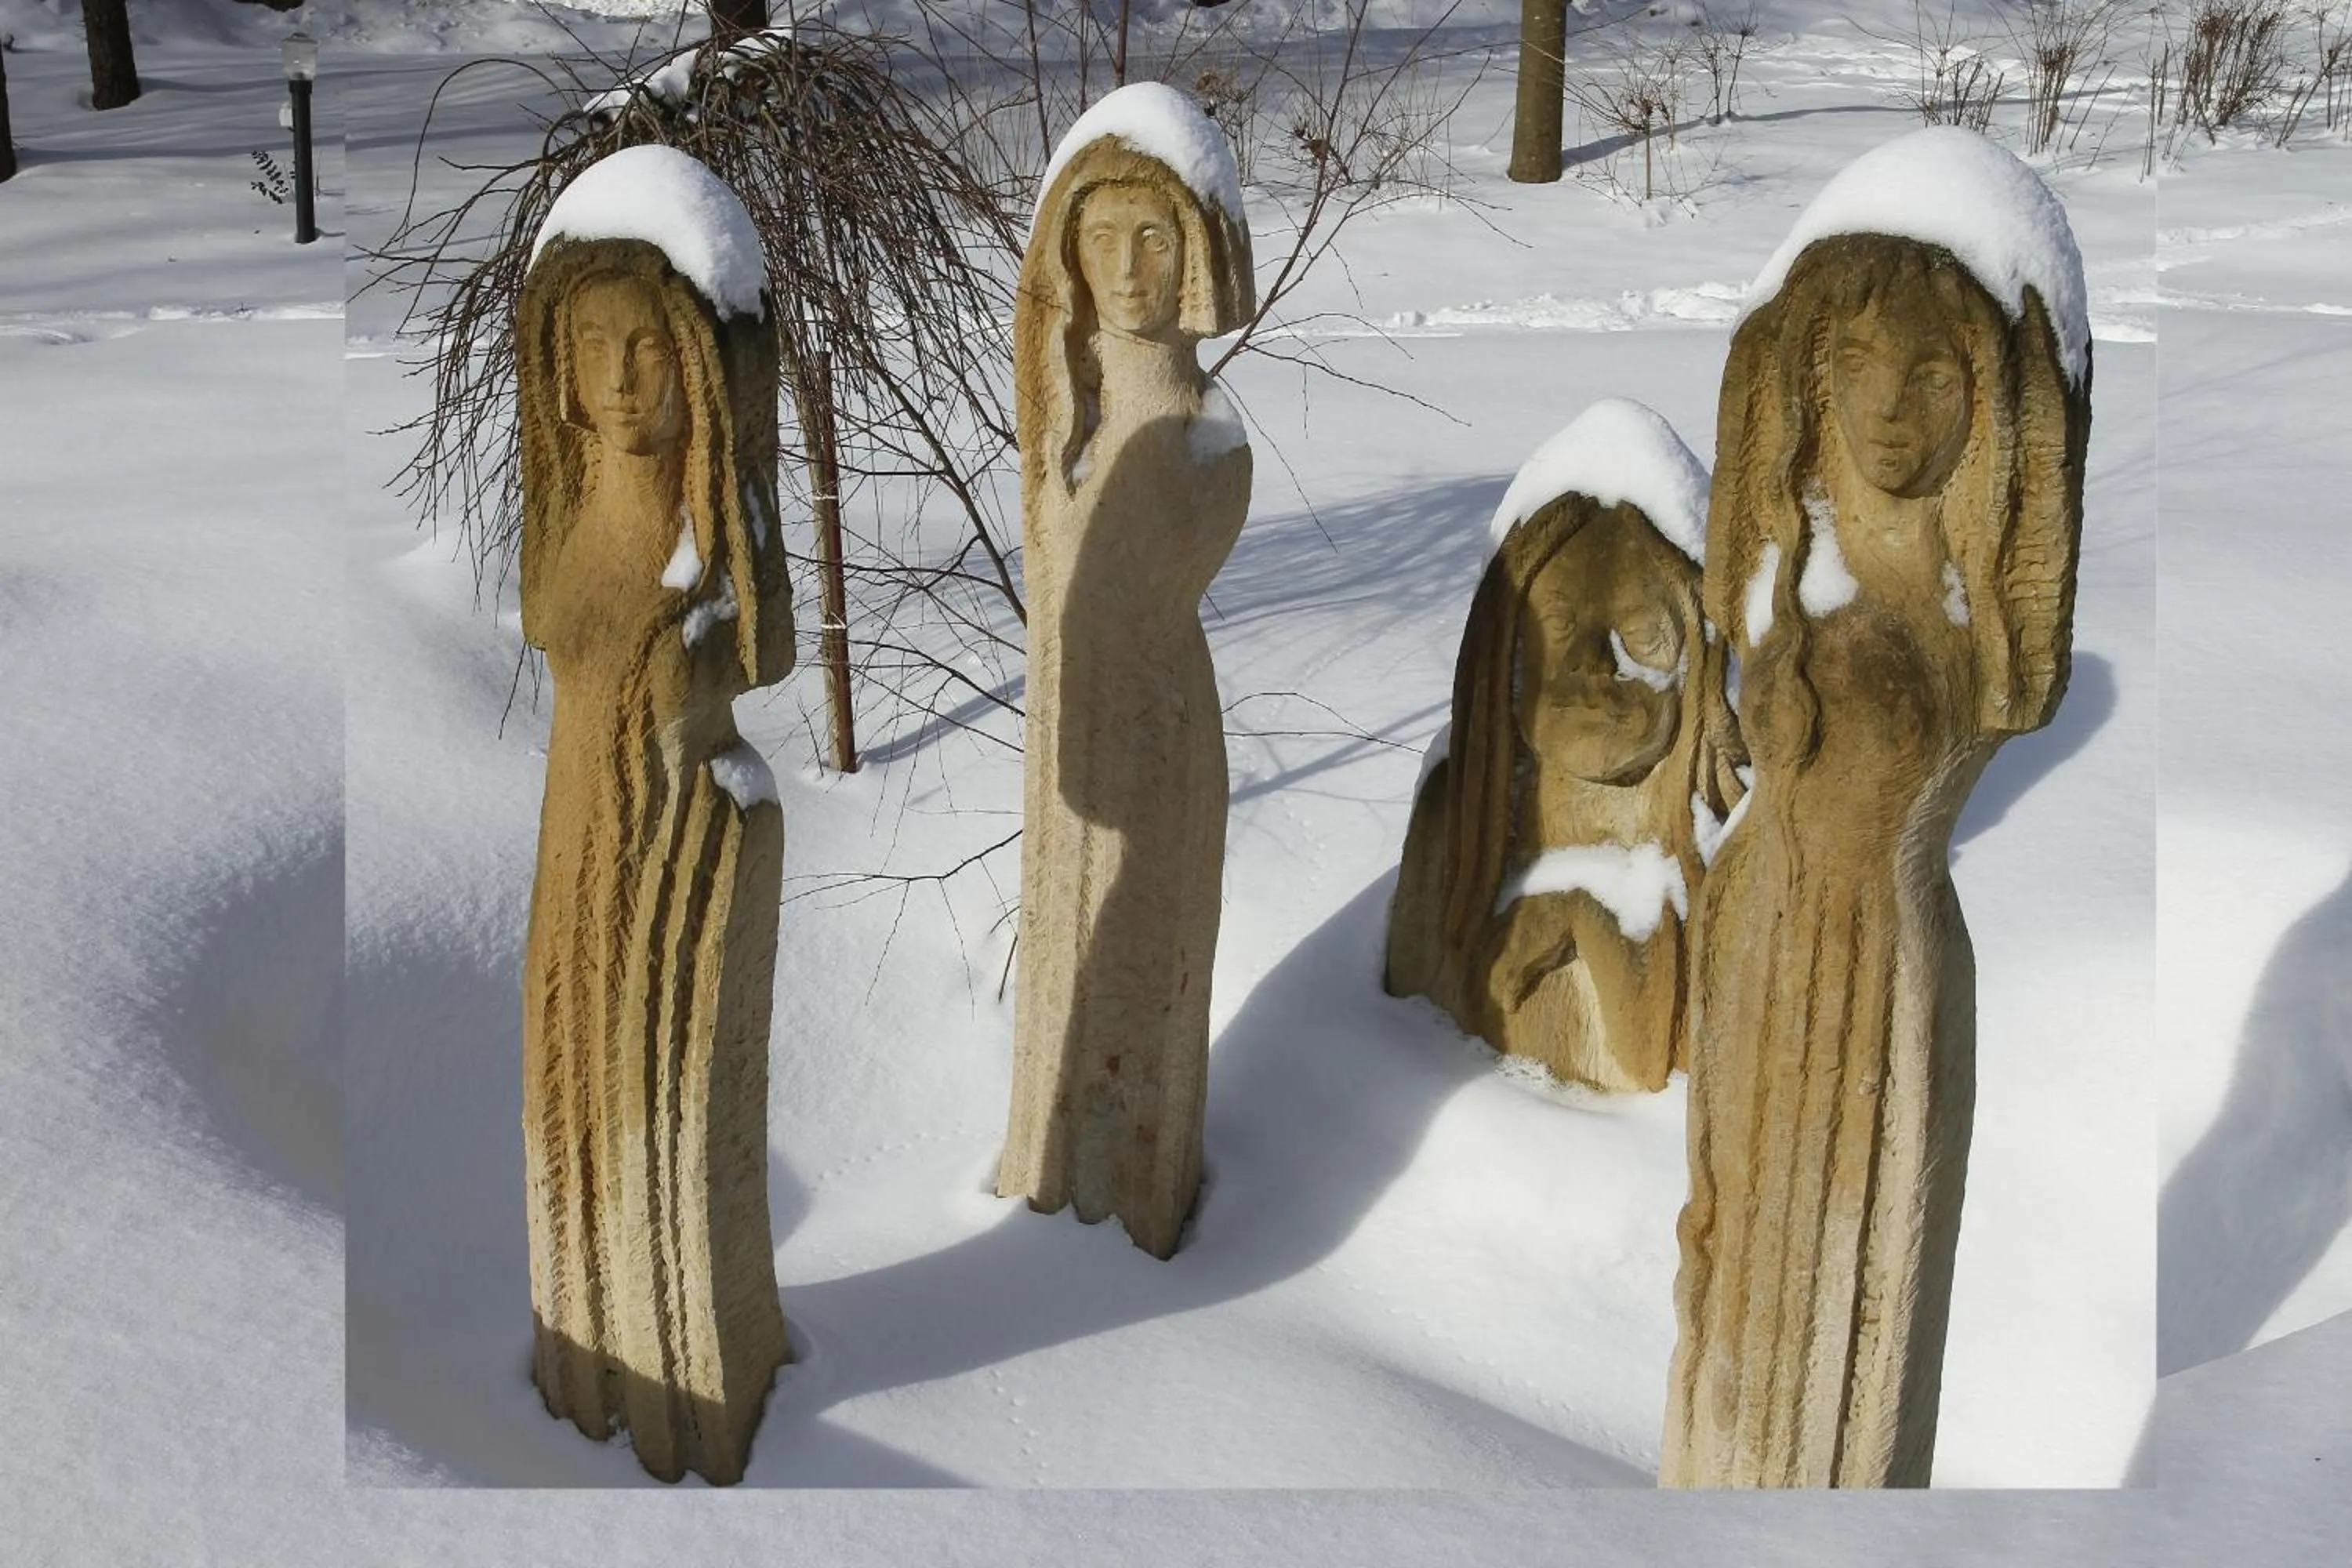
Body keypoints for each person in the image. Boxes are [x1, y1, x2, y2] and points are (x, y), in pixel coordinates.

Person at [1664, 225, 2089, 1488]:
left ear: (1990, 404)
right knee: (1730, 1259)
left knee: (1847, 1308)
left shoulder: (1973, 620)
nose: (1892, 408)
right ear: (1815, 379)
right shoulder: (1786, 573)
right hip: (1756, 938)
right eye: (1860, 367)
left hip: (1876, 979)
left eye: (1934, 379)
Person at [514, 230, 791, 1485]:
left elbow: (740, 660)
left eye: (645, 348)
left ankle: (682, 1370)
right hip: (574, 852)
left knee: (665, 1126)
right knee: (575, 1102)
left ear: (695, 363)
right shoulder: (569, 533)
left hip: (682, 862)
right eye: (591, 350)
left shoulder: (711, 574)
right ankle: (586, 1354)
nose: (619, 378)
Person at [996, 89, 1255, 1260]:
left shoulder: (1203, 437)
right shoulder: (1075, 424)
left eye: (1154, 237)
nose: (1129, 267)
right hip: (1073, 731)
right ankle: (1056, 1169)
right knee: (1070, 944)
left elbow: (1126, 600)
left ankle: (1127, 1189)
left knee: (1138, 964)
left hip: (1149, 742)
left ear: (1196, 249)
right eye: (1101, 240)